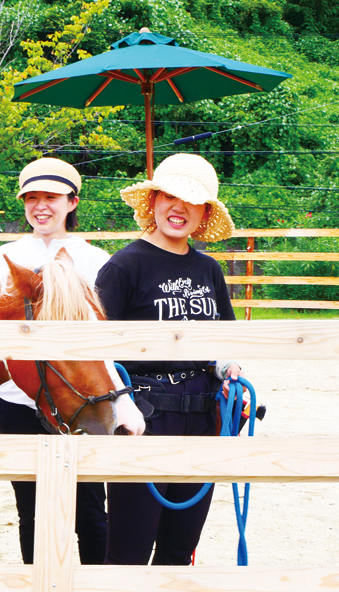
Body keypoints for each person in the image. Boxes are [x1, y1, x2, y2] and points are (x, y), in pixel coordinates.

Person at [95, 153, 240, 565]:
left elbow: (225, 339)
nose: (179, 207)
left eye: (192, 201)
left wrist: (231, 369)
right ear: (154, 200)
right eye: (171, 196)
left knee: (180, 547)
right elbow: (98, 348)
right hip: (145, 416)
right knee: (129, 548)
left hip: (203, 415)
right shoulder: (123, 267)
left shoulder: (210, 270)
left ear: (205, 213)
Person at [0, 157, 110, 565]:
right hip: (21, 402)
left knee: (89, 507)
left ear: (72, 202)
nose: (40, 206)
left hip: (81, 401)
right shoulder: (6, 256)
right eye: (31, 198)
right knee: (30, 509)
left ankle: (96, 588)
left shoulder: (95, 260)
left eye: (51, 197)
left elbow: (104, 342)